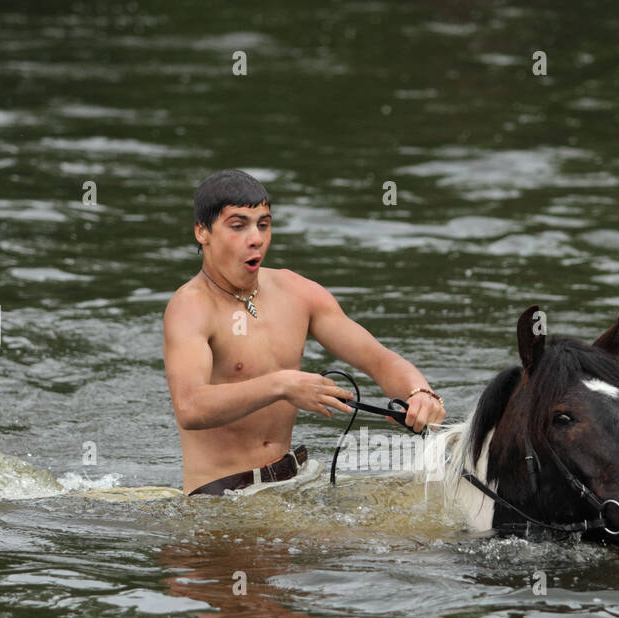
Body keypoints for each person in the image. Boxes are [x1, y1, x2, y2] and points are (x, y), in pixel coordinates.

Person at [163, 169, 447, 495]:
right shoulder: (190, 307)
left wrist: (419, 393)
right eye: (238, 226)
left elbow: (378, 359)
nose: (255, 238)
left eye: (264, 225)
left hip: (294, 484)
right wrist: (283, 385)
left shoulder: (297, 293)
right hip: (220, 501)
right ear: (202, 232)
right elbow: (190, 406)